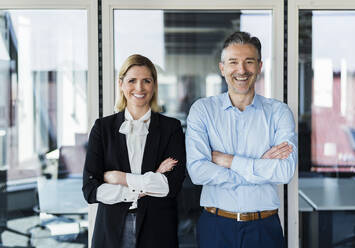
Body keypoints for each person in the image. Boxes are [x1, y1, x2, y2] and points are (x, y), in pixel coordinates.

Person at [186, 31, 297, 247]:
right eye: (233, 62)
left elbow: (284, 172)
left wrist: (227, 160)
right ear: (222, 68)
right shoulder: (203, 110)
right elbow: (198, 172)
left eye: (249, 62)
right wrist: (258, 169)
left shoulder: (279, 112)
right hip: (216, 226)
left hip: (264, 227)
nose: (241, 70)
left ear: (259, 66)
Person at [82, 54, 186, 248]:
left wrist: (119, 178)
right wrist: (152, 179)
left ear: (154, 85)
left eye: (146, 81)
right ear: (120, 84)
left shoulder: (171, 128)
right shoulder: (102, 128)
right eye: (132, 81)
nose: (139, 88)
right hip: (111, 230)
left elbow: (171, 187)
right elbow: (90, 190)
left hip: (158, 229)